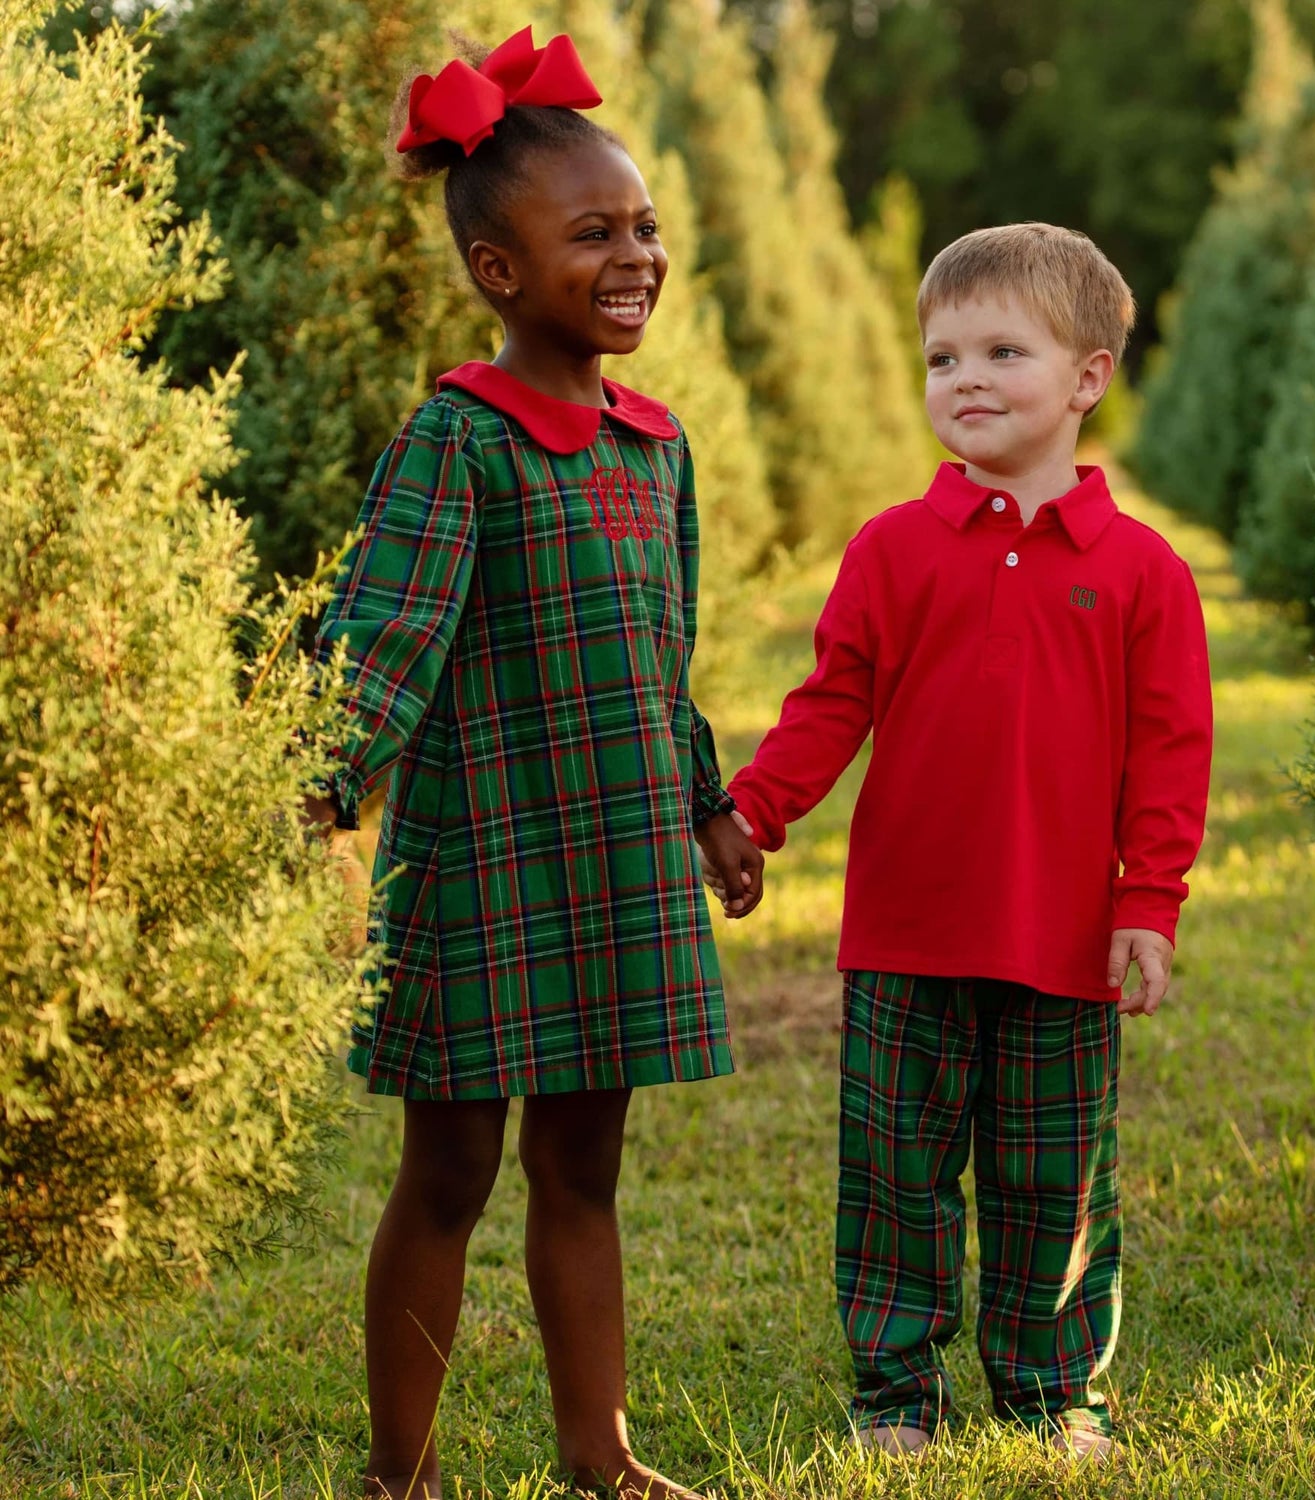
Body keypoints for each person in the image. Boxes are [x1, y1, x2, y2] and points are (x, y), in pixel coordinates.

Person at [304, 27, 764, 1500]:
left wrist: (704, 804)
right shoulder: (460, 439)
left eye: (644, 228)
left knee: (586, 1173)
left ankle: (599, 1457)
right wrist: (323, 784)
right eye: (594, 235)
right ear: (500, 273)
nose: (636, 256)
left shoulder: (655, 446)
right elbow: (383, 638)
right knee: (448, 1174)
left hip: (619, 858)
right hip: (486, 863)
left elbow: (661, 652)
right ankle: (404, 1471)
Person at [702, 223, 1212, 1460]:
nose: (965, 380)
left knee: (1054, 1183)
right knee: (896, 1178)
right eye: (941, 358)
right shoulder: (893, 549)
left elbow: (1170, 755)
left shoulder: (1144, 574)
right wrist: (752, 811)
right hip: (906, 931)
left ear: (1089, 377)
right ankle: (894, 1394)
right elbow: (831, 703)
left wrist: (1149, 901)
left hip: (1062, 939)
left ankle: (1052, 1394)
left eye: (1002, 351)